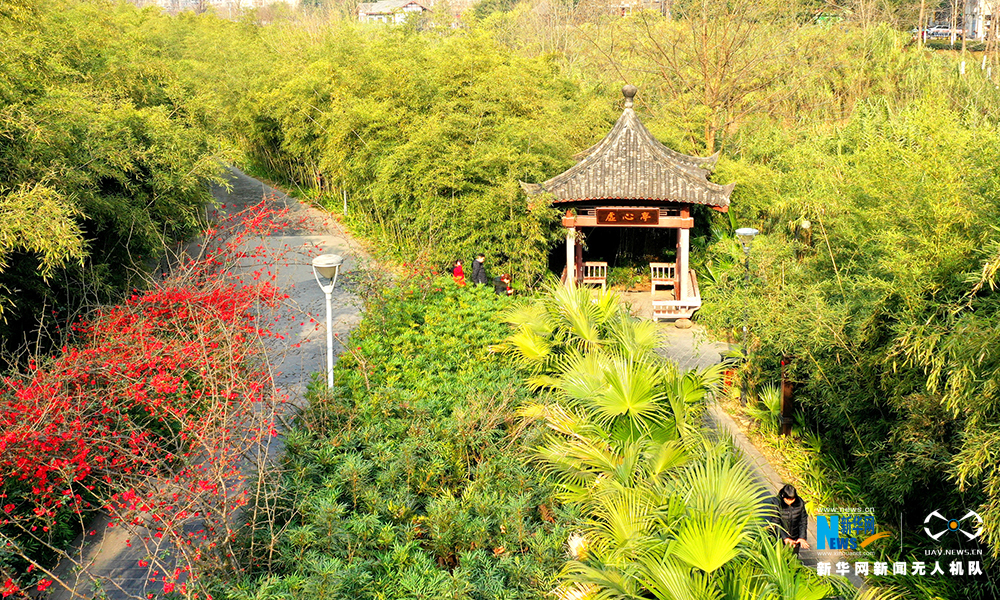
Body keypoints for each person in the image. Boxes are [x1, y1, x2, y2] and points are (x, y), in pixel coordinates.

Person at [772, 484, 809, 554]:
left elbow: (803, 521)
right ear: (783, 496)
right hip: (779, 538)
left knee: (793, 558)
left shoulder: (800, 503)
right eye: (787, 500)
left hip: (795, 537)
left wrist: (802, 537)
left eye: (792, 499)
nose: (790, 502)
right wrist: (785, 538)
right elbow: (776, 523)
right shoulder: (776, 503)